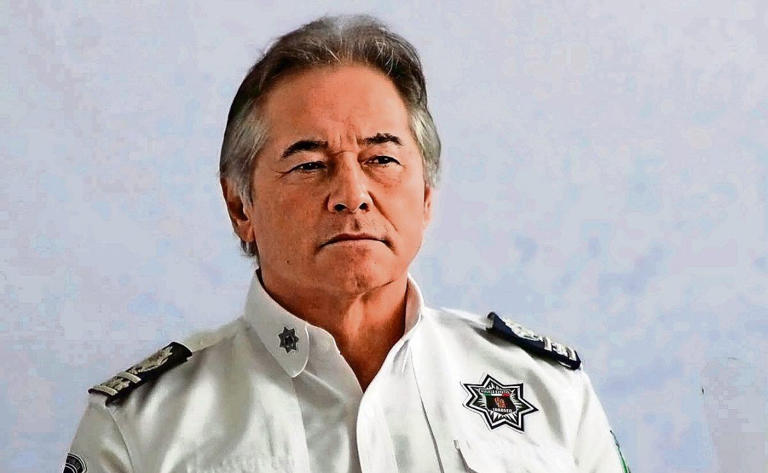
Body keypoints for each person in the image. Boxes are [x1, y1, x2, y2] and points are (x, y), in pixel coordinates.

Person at [64, 14, 631, 473]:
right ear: (241, 207)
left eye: (381, 158)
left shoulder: (547, 390)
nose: (352, 195)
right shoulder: (139, 427)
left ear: (426, 195)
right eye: (309, 164)